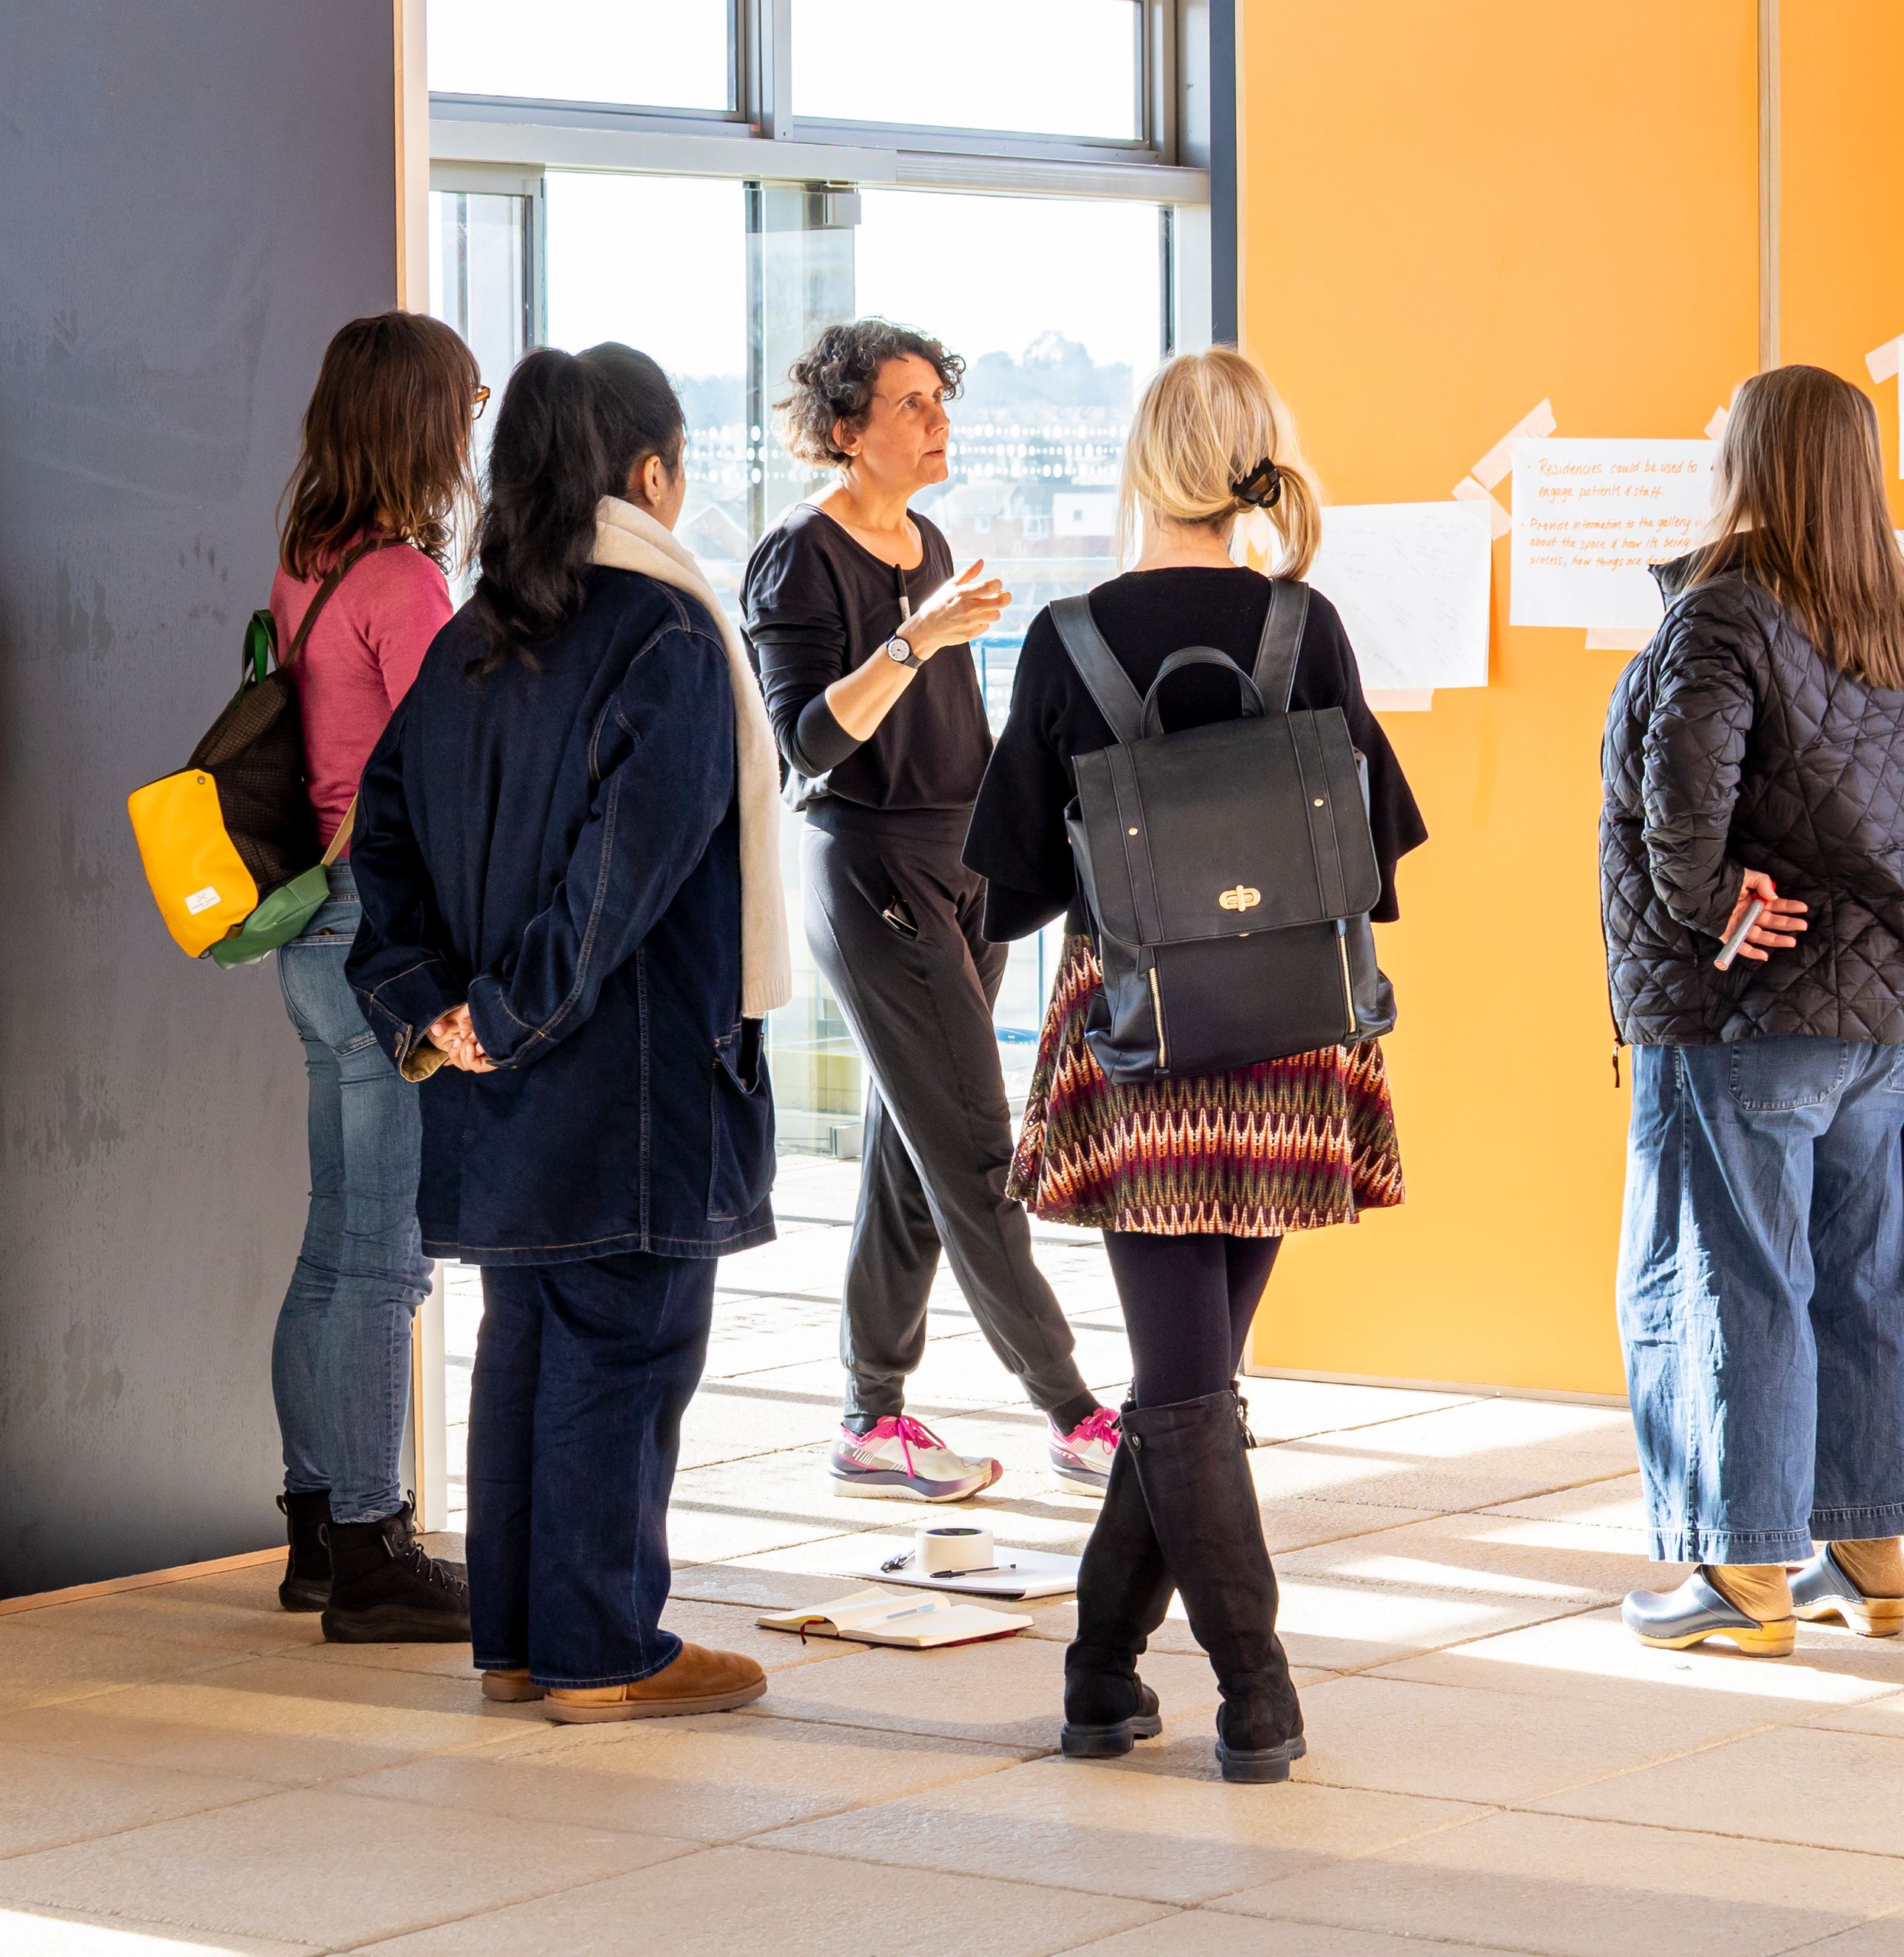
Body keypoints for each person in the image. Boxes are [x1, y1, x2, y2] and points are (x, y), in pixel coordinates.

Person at [965, 346, 1426, 1783]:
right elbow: (1384, 852)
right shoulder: (1307, 626)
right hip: (1291, 1050)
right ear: (1257, 463)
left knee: (1182, 1393)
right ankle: (1106, 1674)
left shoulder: (1069, 641)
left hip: (1142, 1052)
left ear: (1142, 460)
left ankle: (1252, 1692)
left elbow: (1010, 880)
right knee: (1195, 1387)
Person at [349, 341, 793, 1720]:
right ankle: (607, 1651)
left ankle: (524, 1641)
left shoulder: (468, 640)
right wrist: (510, 1011)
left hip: (494, 1083)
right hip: (629, 1080)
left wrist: (441, 1009)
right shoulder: (664, 636)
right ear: (649, 474)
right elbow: (624, 882)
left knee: (529, 1344)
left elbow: (384, 843)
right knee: (626, 1347)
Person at [1600, 364, 1904, 1657]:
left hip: (1748, 1011)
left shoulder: (1722, 612)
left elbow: (1680, 807)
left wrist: (1715, 903)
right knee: (1866, 1281)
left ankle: (1744, 1576)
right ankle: (1865, 1559)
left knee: (1733, 1281)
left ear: (1755, 458)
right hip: (1882, 1011)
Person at [744, 319, 1114, 1502]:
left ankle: (871, 1413)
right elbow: (806, 744)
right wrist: (916, 637)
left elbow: (955, 729)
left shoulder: (929, 536)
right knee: (972, 1142)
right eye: (910, 405)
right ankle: (1074, 1409)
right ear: (845, 430)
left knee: (911, 1154)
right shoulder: (797, 558)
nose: (937, 421)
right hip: (874, 875)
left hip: (967, 870)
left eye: (939, 402)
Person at [266, 311, 483, 1644]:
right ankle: (371, 1546)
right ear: (418, 419)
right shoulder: (403, 584)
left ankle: (313, 1525)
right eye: (460, 405)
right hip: (377, 933)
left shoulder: (310, 563)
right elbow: (448, 777)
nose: (471, 429)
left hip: (310, 928)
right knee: (383, 1254)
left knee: (334, 1232)